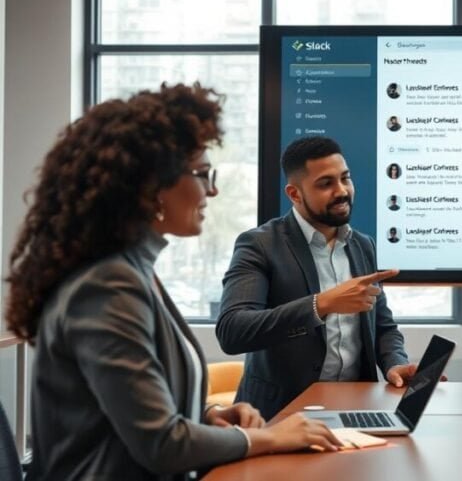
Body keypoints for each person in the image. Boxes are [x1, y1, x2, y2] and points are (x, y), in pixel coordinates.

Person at [4, 84, 342, 481]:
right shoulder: (107, 284)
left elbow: (132, 408)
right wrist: (268, 437)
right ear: (152, 186)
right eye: (202, 174)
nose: (211, 190)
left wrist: (209, 416)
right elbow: (160, 445)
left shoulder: (132, 270)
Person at [217, 136, 417, 419]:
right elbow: (233, 331)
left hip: (355, 410)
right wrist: (320, 304)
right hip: (280, 415)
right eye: (326, 184)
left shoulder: (362, 245)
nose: (342, 191)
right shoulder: (259, 245)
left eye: (345, 178)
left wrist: (395, 364)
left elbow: (382, 326)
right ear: (294, 194)